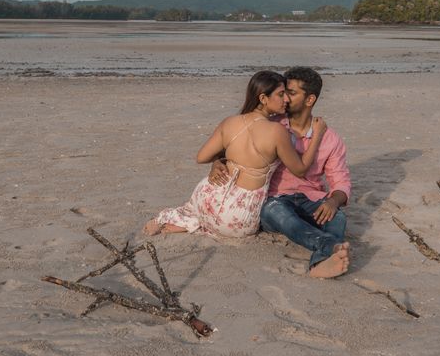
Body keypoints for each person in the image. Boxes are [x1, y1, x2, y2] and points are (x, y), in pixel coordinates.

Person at [144, 71, 327, 238]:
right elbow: (300, 170)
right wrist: (317, 134)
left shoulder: (230, 122)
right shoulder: (277, 131)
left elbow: (201, 157)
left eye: (287, 94)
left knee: (200, 213)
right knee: (233, 226)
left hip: (207, 197)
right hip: (239, 217)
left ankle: (190, 221)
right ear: (263, 98)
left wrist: (219, 160)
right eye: (281, 94)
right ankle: (196, 223)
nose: (286, 99)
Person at [210, 67, 351, 279]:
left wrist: (332, 202)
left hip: (311, 200)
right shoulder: (270, 125)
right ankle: (330, 245)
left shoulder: (330, 139)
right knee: (276, 212)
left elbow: (341, 182)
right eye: (283, 92)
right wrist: (217, 162)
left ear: (310, 99)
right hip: (276, 200)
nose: (284, 98)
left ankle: (321, 261)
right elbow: (236, 149)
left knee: (338, 218)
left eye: (291, 93)